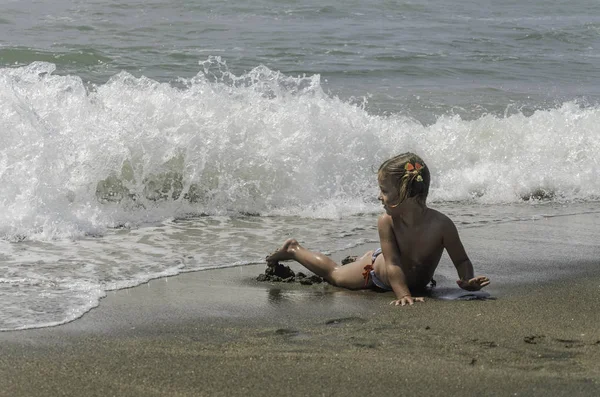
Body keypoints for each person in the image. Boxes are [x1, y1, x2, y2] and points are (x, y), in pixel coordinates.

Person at [266, 152, 490, 306]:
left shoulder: (442, 225)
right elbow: (392, 264)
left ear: (406, 192)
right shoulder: (387, 221)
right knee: (334, 275)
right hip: (378, 274)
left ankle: (361, 255)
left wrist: (467, 279)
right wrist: (404, 295)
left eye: (384, 190)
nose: (379, 196)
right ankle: (294, 250)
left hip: (409, 278)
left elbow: (461, 260)